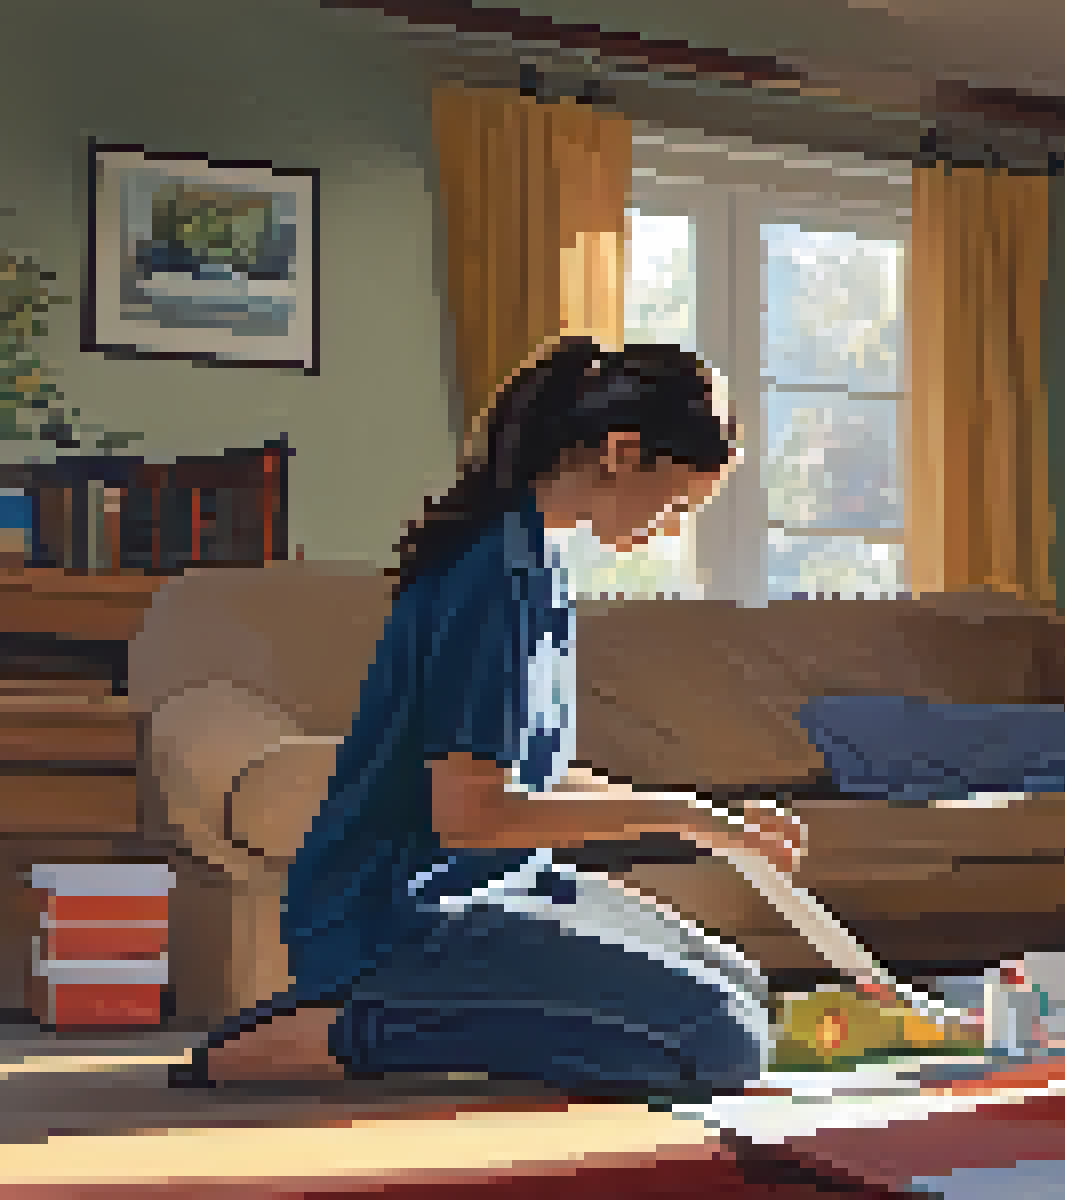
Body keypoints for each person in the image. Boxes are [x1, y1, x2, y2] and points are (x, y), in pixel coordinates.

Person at [174, 337, 810, 1101]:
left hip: (505, 887)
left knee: (743, 986)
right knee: (720, 1040)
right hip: (395, 916)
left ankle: (402, 1014)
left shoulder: (539, 565)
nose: (671, 528)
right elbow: (471, 817)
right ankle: (345, 1031)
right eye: (675, 503)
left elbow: (532, 776)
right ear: (620, 452)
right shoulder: (494, 582)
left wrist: (713, 822)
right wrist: (675, 815)